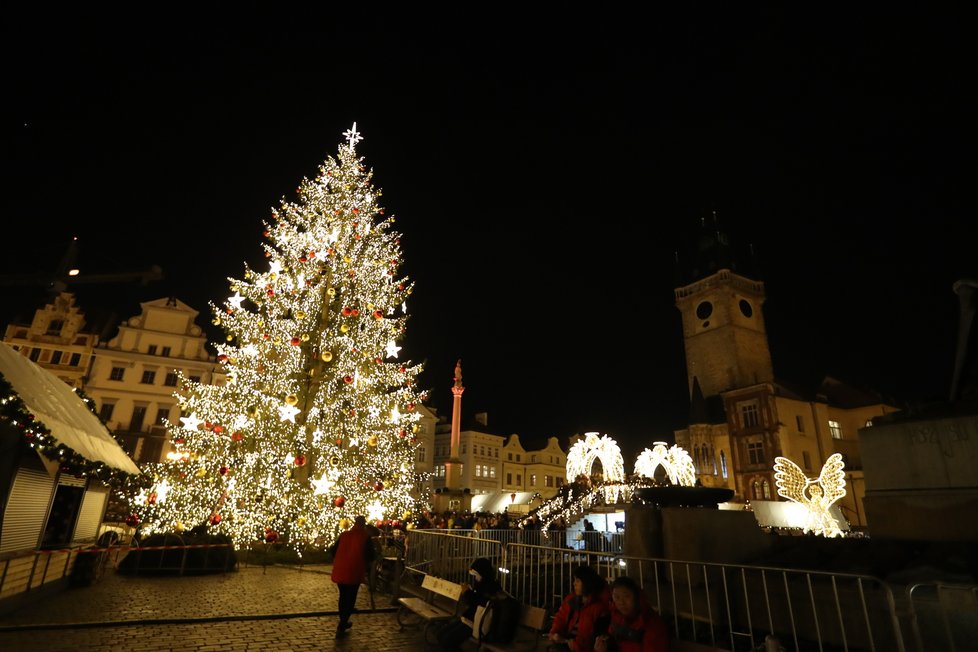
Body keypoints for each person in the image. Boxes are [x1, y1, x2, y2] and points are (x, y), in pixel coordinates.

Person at [435, 557, 502, 651]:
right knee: (440, 634)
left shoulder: (491, 587)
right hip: (469, 618)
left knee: (447, 640)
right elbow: (475, 600)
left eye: (476, 575)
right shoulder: (481, 583)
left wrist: (467, 593)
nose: (475, 577)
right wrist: (469, 591)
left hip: (477, 623)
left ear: (482, 573)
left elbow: (478, 604)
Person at [329, 515, 376, 638]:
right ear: (364, 524)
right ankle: (343, 622)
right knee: (351, 597)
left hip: (341, 569)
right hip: (355, 570)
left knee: (343, 596)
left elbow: (333, 550)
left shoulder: (344, 535)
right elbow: (371, 555)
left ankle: (343, 620)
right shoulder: (365, 537)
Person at [595, 576, 669, 652]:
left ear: (636, 596)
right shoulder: (617, 615)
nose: (621, 602)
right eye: (617, 597)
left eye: (626, 596)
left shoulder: (650, 622)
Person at [547, 564, 611, 652]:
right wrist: (555, 633)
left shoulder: (598, 607)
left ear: (587, 582)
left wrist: (570, 643)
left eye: (577, 581)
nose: (574, 584)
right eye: (574, 580)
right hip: (566, 643)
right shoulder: (571, 600)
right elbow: (560, 618)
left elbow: (589, 637)